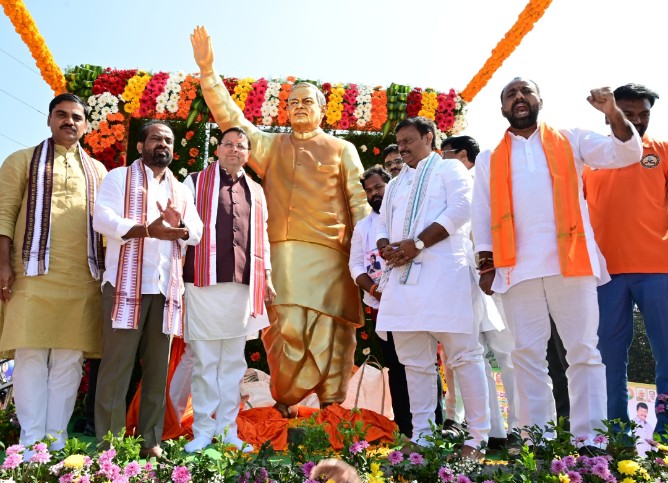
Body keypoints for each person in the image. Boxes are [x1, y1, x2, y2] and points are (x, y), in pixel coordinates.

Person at [191, 26, 369, 417]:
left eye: (307, 101)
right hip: (283, 256)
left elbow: (359, 201)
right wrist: (208, 72)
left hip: (333, 257)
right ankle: (285, 401)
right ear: (285, 110)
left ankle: (331, 407)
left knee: (332, 332)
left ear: (323, 109)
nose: (300, 107)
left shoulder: (342, 149)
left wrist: (368, 251)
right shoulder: (271, 146)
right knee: (286, 329)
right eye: (293, 102)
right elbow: (230, 118)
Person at [471, 78, 642, 450]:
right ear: (502, 109)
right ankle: (538, 440)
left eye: (525, 91)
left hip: (572, 263)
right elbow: (481, 212)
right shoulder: (489, 158)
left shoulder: (571, 139)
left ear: (539, 100)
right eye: (511, 94)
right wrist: (486, 265)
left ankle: (590, 440)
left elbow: (626, 153)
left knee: (584, 351)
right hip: (516, 269)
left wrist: (613, 113)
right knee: (526, 356)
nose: (519, 97)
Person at [376, 116, 489, 459]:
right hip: (403, 281)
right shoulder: (395, 184)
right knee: (415, 363)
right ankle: (423, 435)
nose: (403, 148)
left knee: (464, 356)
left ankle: (477, 438)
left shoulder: (449, 169)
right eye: (400, 142)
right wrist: (386, 247)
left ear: (429, 137)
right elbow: (382, 225)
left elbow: (462, 209)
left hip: (445, 276)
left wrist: (418, 244)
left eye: (409, 140)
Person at [0, 93, 107, 454]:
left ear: (86, 125)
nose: (69, 121)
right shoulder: (21, 160)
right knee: (30, 354)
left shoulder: (98, 171)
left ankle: (55, 442)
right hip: (29, 274)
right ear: (49, 120)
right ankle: (31, 441)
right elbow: (4, 213)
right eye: (61, 115)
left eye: (76, 117)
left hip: (82, 278)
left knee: (69, 359)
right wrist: (3, 264)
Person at [93, 121, 202, 459]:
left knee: (157, 371)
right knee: (116, 369)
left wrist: (179, 226)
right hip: (125, 287)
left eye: (168, 140)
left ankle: (150, 441)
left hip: (165, 290)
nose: (163, 144)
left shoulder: (180, 190)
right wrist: (146, 230)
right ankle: (109, 446)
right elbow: (102, 219)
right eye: (155, 138)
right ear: (140, 146)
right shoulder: (119, 178)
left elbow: (197, 231)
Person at [583, 83, 668, 442]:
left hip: (658, 270)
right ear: (611, 114)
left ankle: (665, 433)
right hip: (605, 274)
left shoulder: (662, 151)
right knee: (608, 357)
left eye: (644, 114)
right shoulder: (590, 157)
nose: (637, 120)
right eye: (628, 113)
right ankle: (614, 436)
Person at [182, 127, 275, 453]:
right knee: (206, 361)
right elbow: (182, 229)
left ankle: (227, 431)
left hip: (242, 287)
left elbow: (262, 237)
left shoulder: (256, 191)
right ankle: (202, 431)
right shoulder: (194, 182)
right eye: (228, 144)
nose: (234, 149)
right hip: (203, 283)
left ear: (248, 154)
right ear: (218, 149)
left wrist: (267, 276)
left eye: (241, 145)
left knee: (233, 362)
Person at [441, 135, 519, 449]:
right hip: (464, 283)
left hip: (496, 278)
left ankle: (521, 429)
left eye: (444, 154)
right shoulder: (446, 188)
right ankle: (494, 432)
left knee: (508, 354)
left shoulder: (484, 181)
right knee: (476, 357)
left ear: (462, 155)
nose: (440, 161)